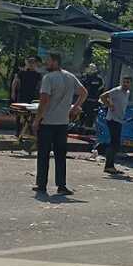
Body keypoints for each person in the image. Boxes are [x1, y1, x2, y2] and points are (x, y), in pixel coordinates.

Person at [32, 53, 87, 195]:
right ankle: (61, 186)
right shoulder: (70, 76)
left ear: (56, 62)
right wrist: (75, 108)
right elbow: (84, 93)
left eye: (48, 61)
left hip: (48, 122)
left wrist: (37, 120)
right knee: (60, 156)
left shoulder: (48, 78)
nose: (46, 63)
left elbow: (44, 101)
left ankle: (41, 185)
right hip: (63, 123)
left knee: (43, 155)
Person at [99, 76, 131, 174]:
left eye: (127, 82)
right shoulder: (117, 90)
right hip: (112, 119)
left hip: (119, 120)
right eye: (124, 82)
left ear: (130, 84)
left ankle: (111, 165)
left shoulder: (127, 93)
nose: (125, 84)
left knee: (116, 144)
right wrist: (109, 105)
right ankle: (108, 166)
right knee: (114, 143)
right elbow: (103, 96)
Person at [11, 56, 42, 136]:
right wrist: (13, 92)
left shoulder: (38, 74)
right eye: (30, 63)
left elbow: (40, 86)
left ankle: (29, 131)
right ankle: (18, 131)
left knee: (31, 114)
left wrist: (40, 95)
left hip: (33, 96)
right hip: (22, 94)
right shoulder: (21, 73)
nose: (31, 65)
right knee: (19, 113)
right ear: (27, 63)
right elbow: (15, 82)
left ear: (36, 64)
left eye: (33, 63)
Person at [81, 63, 104, 128]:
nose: (91, 70)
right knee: (82, 113)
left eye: (92, 69)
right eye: (90, 68)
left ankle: (89, 128)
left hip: (94, 101)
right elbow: (81, 87)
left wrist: (98, 99)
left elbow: (101, 89)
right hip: (84, 100)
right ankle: (81, 126)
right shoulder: (84, 77)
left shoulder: (99, 79)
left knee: (91, 115)